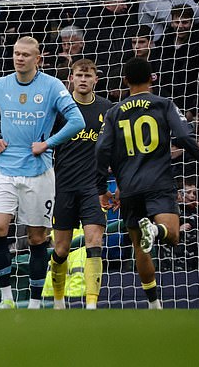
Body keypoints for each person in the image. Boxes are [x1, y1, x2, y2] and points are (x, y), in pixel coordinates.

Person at [0, 36, 85, 309]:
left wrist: (47, 143)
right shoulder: (1, 85)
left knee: (37, 238)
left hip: (38, 173)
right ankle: (6, 298)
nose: (20, 58)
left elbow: (76, 121)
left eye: (26, 55)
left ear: (38, 59)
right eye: (16, 54)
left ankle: (33, 301)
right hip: (5, 170)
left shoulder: (52, 86)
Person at [95, 57, 199, 309]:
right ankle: (156, 230)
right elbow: (183, 135)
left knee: (140, 247)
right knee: (171, 236)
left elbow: (102, 150)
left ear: (125, 81)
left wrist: (102, 188)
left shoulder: (114, 112)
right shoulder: (163, 104)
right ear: (153, 78)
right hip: (159, 181)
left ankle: (154, 304)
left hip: (129, 187)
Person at [49, 59, 113, 310]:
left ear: (96, 79)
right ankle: (57, 300)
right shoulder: (60, 109)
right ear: (71, 79)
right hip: (63, 186)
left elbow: (113, 149)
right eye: (79, 75)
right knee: (61, 248)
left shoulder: (107, 109)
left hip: (92, 188)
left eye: (88, 75)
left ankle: (91, 306)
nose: (83, 79)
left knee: (94, 242)